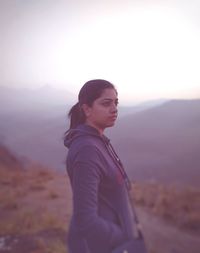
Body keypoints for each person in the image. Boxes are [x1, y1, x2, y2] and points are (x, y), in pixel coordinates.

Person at [64, 79, 145, 253]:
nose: (114, 109)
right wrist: (125, 241)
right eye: (106, 103)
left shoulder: (98, 141)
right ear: (86, 109)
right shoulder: (88, 150)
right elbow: (85, 219)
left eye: (116, 103)